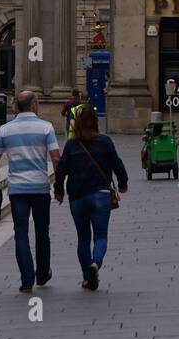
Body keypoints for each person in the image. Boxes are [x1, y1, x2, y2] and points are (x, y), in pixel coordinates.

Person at [0, 90, 61, 295]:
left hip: (17, 189)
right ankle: (43, 273)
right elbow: (55, 158)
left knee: (20, 233)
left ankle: (26, 279)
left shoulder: (5, 130)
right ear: (34, 105)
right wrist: (60, 185)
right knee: (42, 233)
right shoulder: (46, 127)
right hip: (39, 188)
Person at [54, 104, 127, 292]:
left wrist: (59, 190)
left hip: (77, 197)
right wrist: (123, 183)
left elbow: (61, 170)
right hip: (100, 195)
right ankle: (96, 264)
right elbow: (117, 164)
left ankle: (87, 277)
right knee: (101, 235)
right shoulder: (105, 141)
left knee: (83, 238)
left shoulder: (71, 144)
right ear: (95, 122)